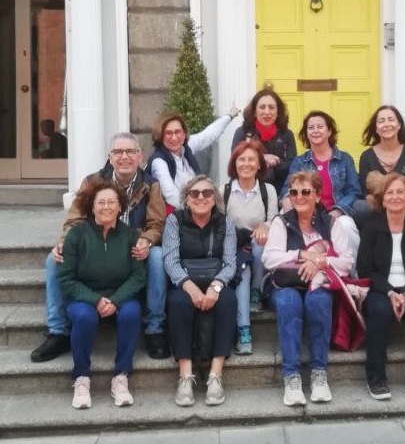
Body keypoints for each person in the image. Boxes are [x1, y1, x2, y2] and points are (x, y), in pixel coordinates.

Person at [31, 132, 168, 363]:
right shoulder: (92, 181)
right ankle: (58, 331)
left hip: (133, 249)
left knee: (157, 256)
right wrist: (64, 241)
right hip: (95, 245)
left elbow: (157, 223)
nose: (124, 157)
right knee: (53, 259)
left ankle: (154, 328)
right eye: (118, 152)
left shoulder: (151, 185)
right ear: (110, 156)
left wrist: (147, 240)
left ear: (140, 156)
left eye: (130, 151)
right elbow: (75, 218)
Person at [262, 170, 353, 407]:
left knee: (318, 301)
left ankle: (319, 372)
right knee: (289, 302)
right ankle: (291, 376)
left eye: (305, 192)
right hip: (286, 283)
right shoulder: (282, 222)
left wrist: (320, 262)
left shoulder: (330, 223)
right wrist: (302, 254)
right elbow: (269, 259)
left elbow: (347, 262)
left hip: (319, 282)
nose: (299, 197)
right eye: (293, 192)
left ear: (318, 195)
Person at [57, 181, 147, 409]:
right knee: (84, 317)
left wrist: (115, 300)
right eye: (101, 202)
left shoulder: (130, 235)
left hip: (120, 295)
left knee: (132, 313)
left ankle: (121, 376)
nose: (106, 207)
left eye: (111, 202)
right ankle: (81, 378)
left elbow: (138, 277)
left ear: (120, 207)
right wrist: (95, 300)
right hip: (83, 297)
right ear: (92, 206)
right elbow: (66, 278)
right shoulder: (77, 235)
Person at [357, 173, 405, 401]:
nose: (395, 196)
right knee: (379, 310)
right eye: (389, 192)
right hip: (381, 287)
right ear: (382, 199)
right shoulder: (371, 227)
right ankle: (376, 375)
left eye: (400, 192)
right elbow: (365, 270)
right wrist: (391, 292)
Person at [162, 175, 237, 407]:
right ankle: (185, 375)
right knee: (178, 303)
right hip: (185, 281)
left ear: (215, 198)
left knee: (227, 301)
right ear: (187, 198)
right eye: (194, 193)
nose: (201, 197)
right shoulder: (174, 220)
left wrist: (216, 286)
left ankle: (215, 374)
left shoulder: (226, 222)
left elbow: (230, 263)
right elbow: (170, 260)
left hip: (216, 278)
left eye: (207, 193)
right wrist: (189, 286)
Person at [281, 110, 361, 262]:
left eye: (320, 126)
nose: (315, 130)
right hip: (306, 213)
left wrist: (338, 210)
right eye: (311, 127)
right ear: (306, 133)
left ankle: (352, 272)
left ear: (329, 131)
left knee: (347, 227)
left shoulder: (345, 159)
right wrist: (289, 204)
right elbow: (287, 190)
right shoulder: (300, 161)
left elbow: (354, 191)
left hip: (335, 212)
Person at [224, 139, 278, 354]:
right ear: (234, 163)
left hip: (258, 245)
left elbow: (274, 220)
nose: (246, 164)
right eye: (241, 159)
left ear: (259, 164)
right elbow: (219, 225)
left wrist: (265, 225)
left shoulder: (268, 190)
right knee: (242, 272)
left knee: (259, 241)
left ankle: (257, 290)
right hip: (234, 247)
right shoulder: (225, 190)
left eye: (251, 160)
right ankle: (244, 330)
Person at [146, 106, 240, 210]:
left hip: (195, 209)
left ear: (184, 134)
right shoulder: (158, 162)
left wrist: (229, 116)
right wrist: (196, 210)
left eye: (177, 132)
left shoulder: (186, 146)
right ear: (161, 136)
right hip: (175, 214)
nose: (174, 137)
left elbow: (208, 135)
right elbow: (171, 197)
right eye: (168, 133)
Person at [231, 88, 297, 195]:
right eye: (262, 107)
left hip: (279, 193)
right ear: (255, 111)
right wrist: (262, 158)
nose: (267, 112)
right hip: (247, 193)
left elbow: (292, 167)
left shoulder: (287, 134)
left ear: (278, 112)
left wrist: (276, 161)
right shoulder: (243, 132)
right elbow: (235, 163)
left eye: (271, 107)